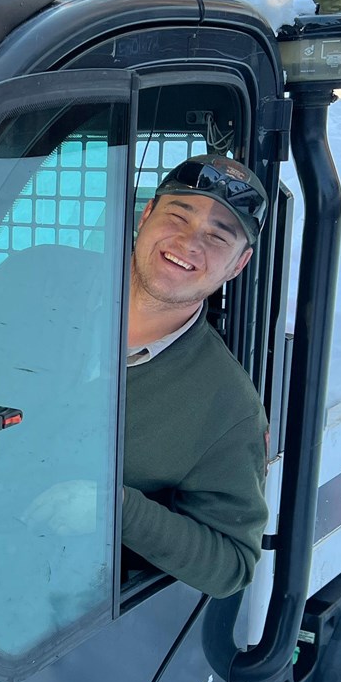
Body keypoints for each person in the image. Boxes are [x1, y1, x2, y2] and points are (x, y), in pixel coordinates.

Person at [119, 154, 270, 598]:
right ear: (146, 215)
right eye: (178, 215)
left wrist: (115, 508)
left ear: (238, 266)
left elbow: (232, 564)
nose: (188, 242)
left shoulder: (228, 407)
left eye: (217, 237)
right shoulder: (31, 278)